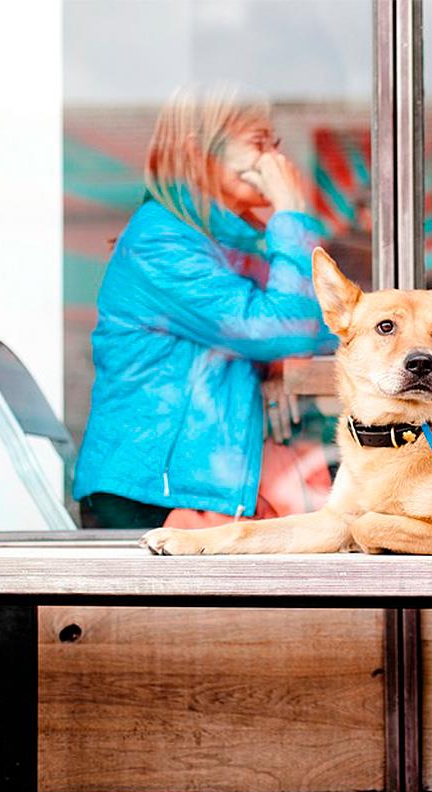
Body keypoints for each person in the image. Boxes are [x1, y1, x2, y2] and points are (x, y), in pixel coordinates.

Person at [73, 83, 335, 529]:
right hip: (152, 500)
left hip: (196, 491)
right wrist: (290, 212)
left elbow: (313, 329)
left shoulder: (226, 242)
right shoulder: (162, 242)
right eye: (258, 144)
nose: (275, 161)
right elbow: (281, 329)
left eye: (275, 145)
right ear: (199, 154)